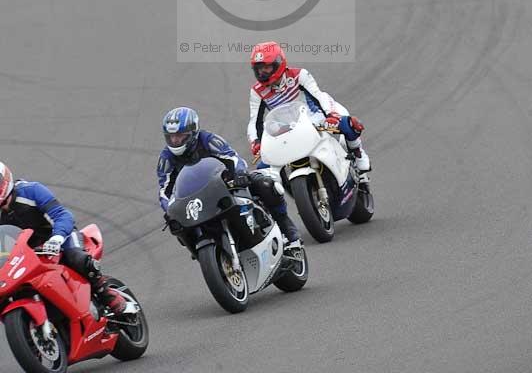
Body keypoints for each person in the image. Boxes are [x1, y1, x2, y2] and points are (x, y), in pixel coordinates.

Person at [157, 106, 301, 244]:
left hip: (223, 185)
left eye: (180, 136)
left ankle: (286, 226)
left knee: (264, 184)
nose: (175, 141)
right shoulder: (166, 158)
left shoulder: (208, 140)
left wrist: (239, 174)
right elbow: (165, 189)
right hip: (193, 199)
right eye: (171, 137)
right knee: (177, 225)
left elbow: (232, 157)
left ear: (193, 132)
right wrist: (168, 208)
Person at [0, 161, 126, 314]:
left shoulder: (31, 190)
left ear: (5, 178)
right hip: (29, 255)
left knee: (76, 258)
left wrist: (57, 238)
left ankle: (105, 293)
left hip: (60, 238)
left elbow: (62, 215)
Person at [247, 42, 371, 178]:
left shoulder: (299, 75)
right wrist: (256, 142)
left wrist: (331, 115)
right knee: (262, 174)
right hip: (286, 130)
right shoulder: (257, 91)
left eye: (266, 67)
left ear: (278, 63)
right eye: (258, 69)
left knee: (350, 124)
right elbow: (254, 121)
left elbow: (319, 96)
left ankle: (359, 154)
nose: (262, 72)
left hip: (314, 119)